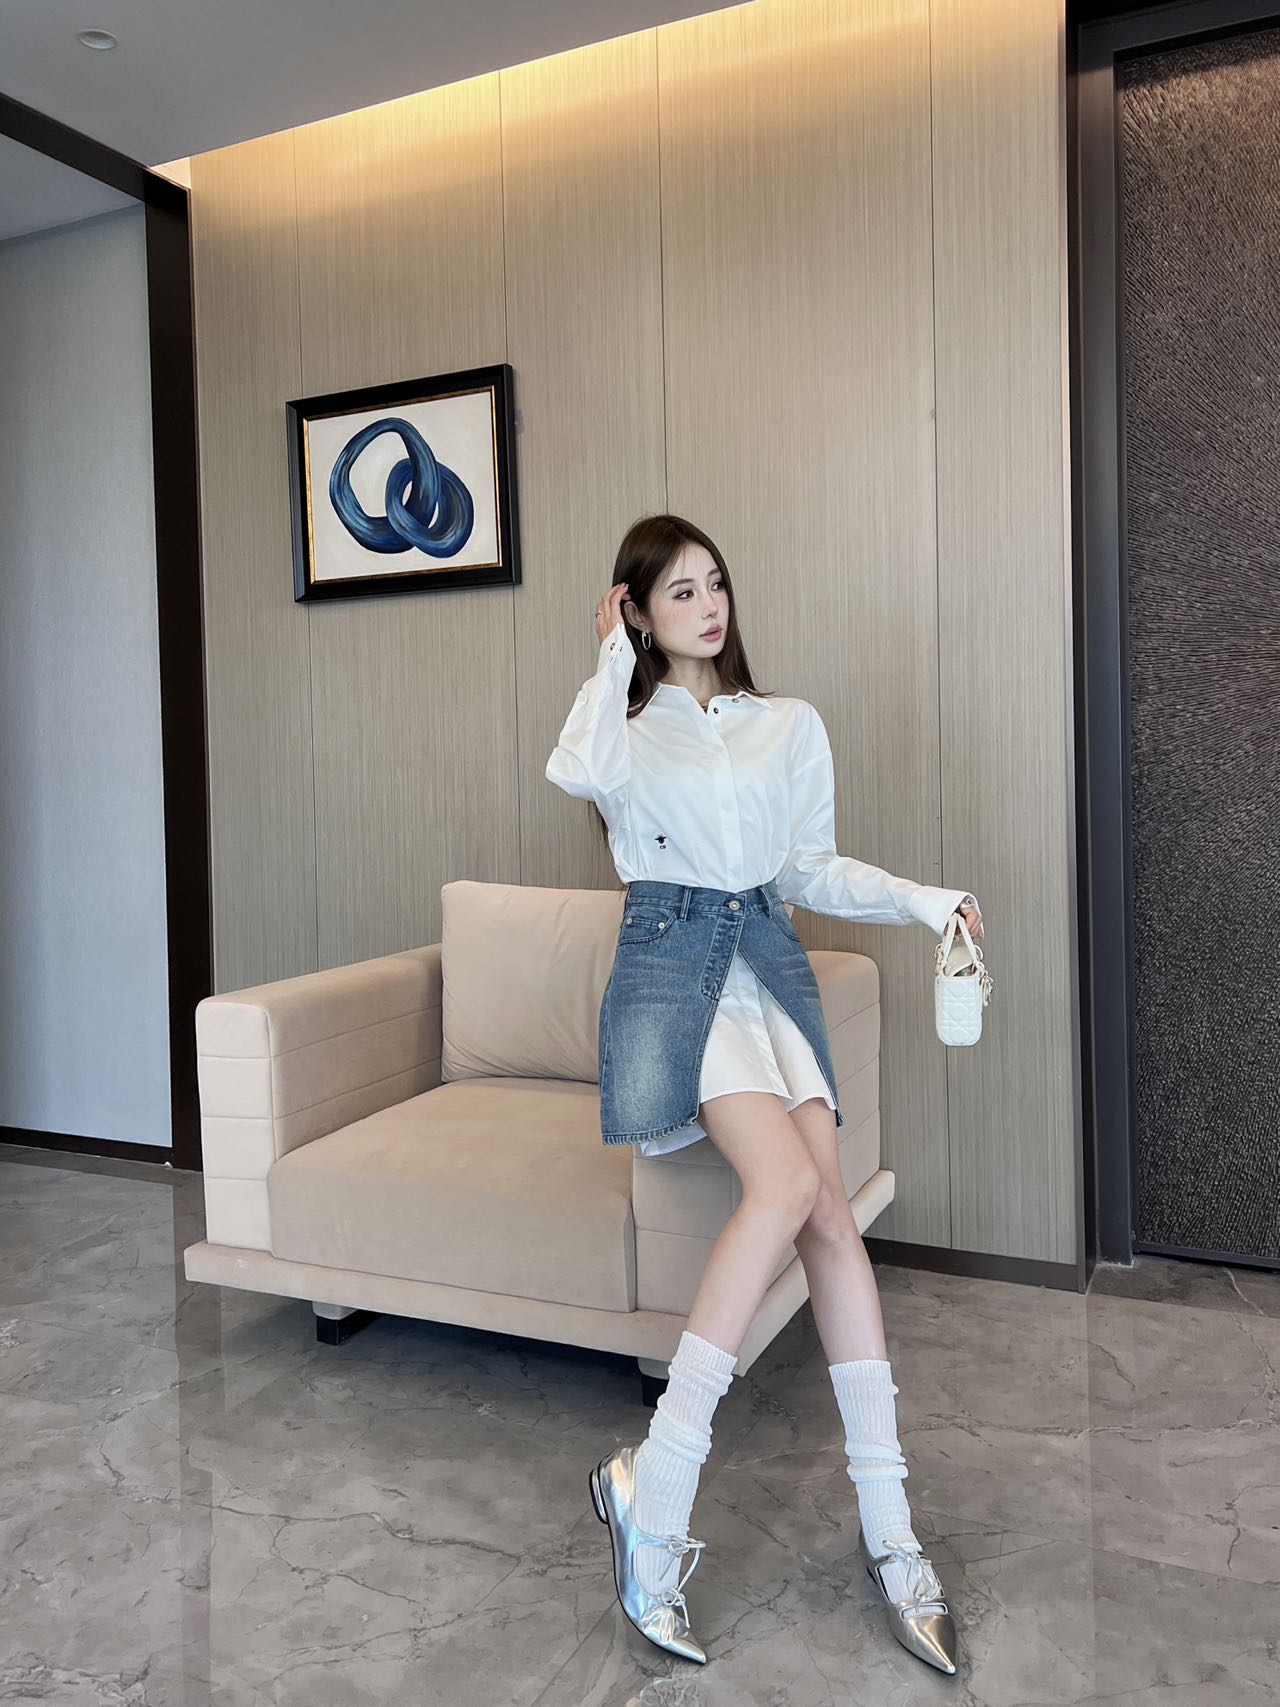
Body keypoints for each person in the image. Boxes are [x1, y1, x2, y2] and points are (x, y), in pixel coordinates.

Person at [544, 514, 983, 1676]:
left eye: (715, 584)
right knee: (785, 1189)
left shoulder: (785, 723)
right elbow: (574, 771)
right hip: (671, 965)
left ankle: (890, 1533)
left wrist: (925, 900)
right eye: (677, 592)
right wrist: (607, 656)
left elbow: (805, 867)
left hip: (767, 961)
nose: (706, 606)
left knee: (830, 1221)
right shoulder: (623, 727)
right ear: (638, 611)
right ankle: (658, 1494)